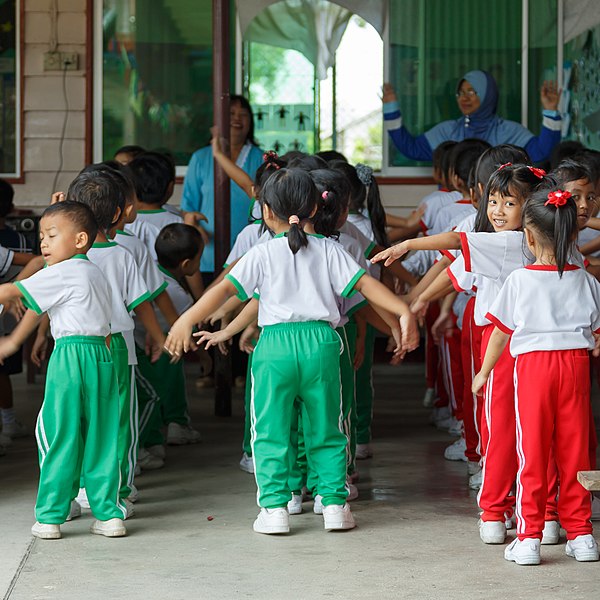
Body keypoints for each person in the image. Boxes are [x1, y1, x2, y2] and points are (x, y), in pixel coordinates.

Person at [165, 168, 419, 535]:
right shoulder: (332, 249)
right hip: (322, 344)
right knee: (328, 427)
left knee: (270, 430)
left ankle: (275, 508)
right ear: (318, 206)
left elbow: (223, 291)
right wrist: (404, 310)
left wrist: (186, 319)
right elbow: (365, 286)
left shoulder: (261, 252)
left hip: (275, 347)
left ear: (266, 212)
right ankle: (333, 505)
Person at [472, 185, 600, 565]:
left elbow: (499, 333)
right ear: (573, 234)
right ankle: (582, 536)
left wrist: (483, 373)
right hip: (575, 367)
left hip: (533, 370)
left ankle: (529, 537)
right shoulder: (588, 281)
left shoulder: (520, 281)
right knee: (575, 453)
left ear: (528, 236)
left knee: (533, 452)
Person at [0, 201, 127, 539]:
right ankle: (108, 514)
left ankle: (51, 517)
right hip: (103, 354)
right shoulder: (95, 271)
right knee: (102, 436)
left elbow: (12, 291)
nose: (43, 243)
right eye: (41, 235)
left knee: (60, 435)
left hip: (70, 358)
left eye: (52, 235)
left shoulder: (61, 272)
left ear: (81, 239)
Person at [383, 70, 561, 163]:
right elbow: (411, 149)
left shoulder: (508, 131)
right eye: (460, 93)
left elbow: (541, 152)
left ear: (487, 95)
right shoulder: (448, 131)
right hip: (454, 210)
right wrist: (391, 110)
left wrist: (551, 111)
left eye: (471, 91)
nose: (464, 98)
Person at [181, 96, 264, 278]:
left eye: (243, 114)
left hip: (251, 255)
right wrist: (194, 227)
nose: (237, 119)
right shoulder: (201, 158)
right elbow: (187, 208)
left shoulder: (262, 159)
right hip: (207, 255)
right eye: (231, 114)